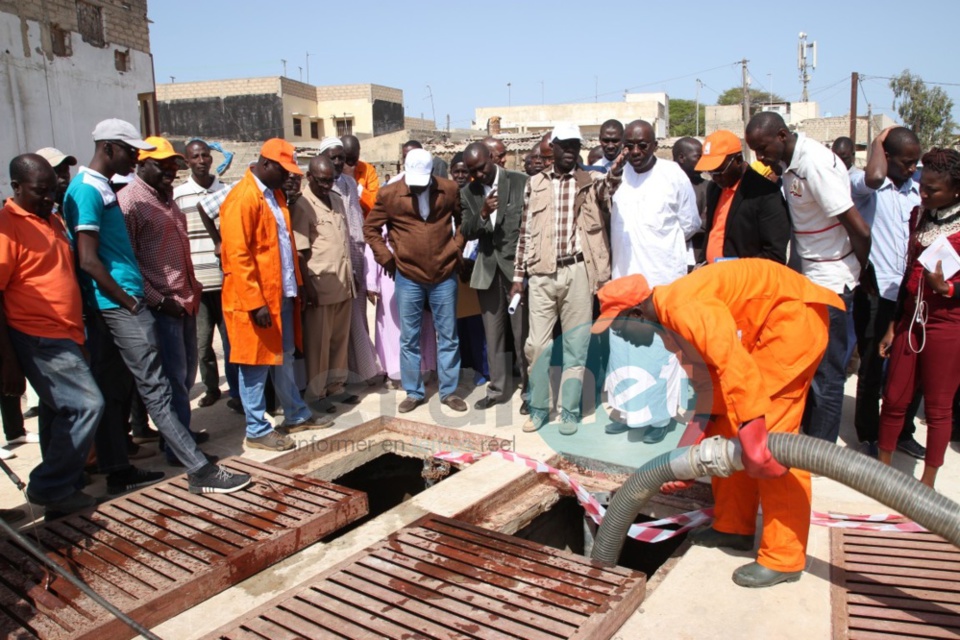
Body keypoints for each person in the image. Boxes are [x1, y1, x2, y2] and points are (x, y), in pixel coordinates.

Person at [594, 259, 844, 587]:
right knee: (727, 432)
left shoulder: (683, 308)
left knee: (773, 441)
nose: (622, 338)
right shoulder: (669, 326)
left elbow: (731, 363)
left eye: (620, 328)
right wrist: (686, 454)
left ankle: (784, 557)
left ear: (638, 314)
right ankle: (733, 526)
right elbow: (708, 391)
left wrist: (755, 438)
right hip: (768, 326)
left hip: (794, 321)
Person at [64, 118, 248, 494]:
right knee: (157, 388)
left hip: (123, 301)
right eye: (131, 151)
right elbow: (87, 258)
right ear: (109, 148)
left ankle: (118, 469)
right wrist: (132, 303)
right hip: (119, 303)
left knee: (117, 390)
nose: (135, 158)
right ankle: (198, 470)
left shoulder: (103, 187)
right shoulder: (87, 190)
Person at [746, 112, 872, 444]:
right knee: (809, 362)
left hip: (832, 279)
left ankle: (820, 447)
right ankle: (811, 433)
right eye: (755, 152)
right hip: (811, 275)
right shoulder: (789, 163)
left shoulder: (814, 164)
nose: (760, 158)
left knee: (827, 369)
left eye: (763, 149)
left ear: (783, 136)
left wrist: (864, 274)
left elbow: (859, 228)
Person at [0, 154, 104, 515]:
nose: (48, 197)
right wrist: (8, 359)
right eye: (39, 191)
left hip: (67, 333)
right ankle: (49, 485)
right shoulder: (8, 225)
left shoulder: (53, 218)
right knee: (88, 405)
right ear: (16, 187)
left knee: (58, 412)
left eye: (51, 190)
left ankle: (62, 493)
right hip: (37, 334)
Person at [220, 138, 333, 452]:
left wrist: (294, 287)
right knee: (254, 364)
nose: (289, 177)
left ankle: (295, 413)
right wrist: (256, 303)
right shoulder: (243, 198)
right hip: (255, 301)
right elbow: (237, 256)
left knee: (282, 359)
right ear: (266, 163)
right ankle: (257, 429)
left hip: (280, 293)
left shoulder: (274, 195)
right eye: (284, 171)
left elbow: (282, 247)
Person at [510, 123, 617, 434]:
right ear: (552, 148)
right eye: (564, 145)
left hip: (578, 272)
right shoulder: (535, 183)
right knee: (537, 346)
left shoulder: (591, 180)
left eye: (575, 146)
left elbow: (609, 189)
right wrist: (519, 276)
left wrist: (616, 174)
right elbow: (524, 231)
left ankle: (569, 412)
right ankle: (541, 408)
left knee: (576, 345)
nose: (570, 151)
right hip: (541, 273)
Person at [604, 120, 698, 439]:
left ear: (655, 145)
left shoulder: (673, 176)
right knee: (622, 352)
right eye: (628, 145)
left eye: (641, 145)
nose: (634, 151)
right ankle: (627, 412)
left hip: (662, 283)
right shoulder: (616, 176)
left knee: (660, 354)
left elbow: (690, 224)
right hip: (624, 281)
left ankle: (659, 419)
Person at [120, 136, 205, 468]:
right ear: (141, 163)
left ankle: (180, 436)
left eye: (173, 165)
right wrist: (157, 300)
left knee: (184, 379)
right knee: (172, 381)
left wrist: (192, 290)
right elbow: (127, 262)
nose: (171, 171)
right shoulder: (130, 203)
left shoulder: (166, 199)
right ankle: (180, 452)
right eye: (163, 165)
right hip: (163, 306)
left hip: (184, 301)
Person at [878, 147, 960, 488]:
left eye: (932, 189)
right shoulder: (918, 216)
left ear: (956, 190)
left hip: (947, 324)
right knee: (894, 397)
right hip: (911, 319)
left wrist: (949, 290)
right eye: (922, 185)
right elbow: (910, 269)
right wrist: (893, 326)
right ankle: (880, 474)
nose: (923, 193)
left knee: (938, 408)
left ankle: (926, 483)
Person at [364, 148, 467, 413]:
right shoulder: (389, 194)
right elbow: (371, 229)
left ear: (432, 173)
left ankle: (448, 392)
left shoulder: (449, 190)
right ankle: (413, 391)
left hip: (444, 276)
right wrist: (386, 259)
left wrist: (456, 248)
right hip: (408, 276)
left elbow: (464, 220)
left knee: (448, 336)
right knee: (409, 337)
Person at [852, 127, 925, 459]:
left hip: (907, 293)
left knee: (908, 367)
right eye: (906, 162)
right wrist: (879, 141)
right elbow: (872, 176)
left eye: (915, 163)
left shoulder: (919, 192)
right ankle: (869, 434)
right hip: (875, 291)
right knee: (870, 366)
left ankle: (903, 430)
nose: (911, 169)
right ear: (888, 157)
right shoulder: (867, 188)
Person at [461, 142, 530, 412]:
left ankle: (530, 392)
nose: (478, 175)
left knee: (522, 335)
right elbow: (466, 230)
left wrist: (523, 273)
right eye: (472, 171)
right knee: (494, 335)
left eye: (482, 168)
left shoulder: (520, 182)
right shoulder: (469, 192)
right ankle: (498, 390)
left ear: (492, 158)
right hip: (488, 273)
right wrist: (483, 213)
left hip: (517, 273)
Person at [173, 139, 238, 409]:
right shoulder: (178, 195)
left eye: (205, 156)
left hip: (225, 279)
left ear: (212, 158)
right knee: (202, 345)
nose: (201, 161)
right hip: (197, 282)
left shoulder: (226, 192)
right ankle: (212, 388)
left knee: (232, 342)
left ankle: (236, 392)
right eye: (195, 157)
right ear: (187, 162)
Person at [292, 155, 355, 409]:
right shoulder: (302, 205)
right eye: (322, 181)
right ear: (309, 177)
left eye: (331, 180)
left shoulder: (338, 201)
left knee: (339, 340)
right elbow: (300, 252)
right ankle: (316, 394)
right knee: (318, 343)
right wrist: (307, 289)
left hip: (343, 282)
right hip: (320, 286)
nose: (327, 185)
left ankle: (336, 386)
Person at [319, 137, 382, 389]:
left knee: (357, 320)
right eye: (332, 157)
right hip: (332, 264)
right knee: (334, 326)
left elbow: (357, 225)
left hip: (355, 255)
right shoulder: (317, 187)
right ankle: (336, 380)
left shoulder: (349, 184)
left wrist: (362, 264)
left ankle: (363, 370)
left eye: (340, 158)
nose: (337, 163)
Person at [695, 130, 790, 265]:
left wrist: (735, 269)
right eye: (710, 172)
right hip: (714, 277)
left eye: (719, 170)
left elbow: (774, 254)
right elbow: (712, 233)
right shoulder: (714, 188)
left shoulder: (765, 194)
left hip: (744, 281)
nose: (714, 177)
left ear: (738, 160)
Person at [449, 152, 488, 387]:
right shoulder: (444, 197)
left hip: (474, 266)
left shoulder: (475, 197)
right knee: (455, 326)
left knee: (476, 325)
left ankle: (482, 369)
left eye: (466, 171)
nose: (461, 175)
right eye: (457, 171)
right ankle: (461, 366)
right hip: (453, 267)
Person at [341, 134, 380, 217]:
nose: (352, 164)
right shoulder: (333, 170)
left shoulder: (368, 169)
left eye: (354, 159)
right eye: (348, 160)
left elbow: (375, 204)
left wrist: (355, 184)